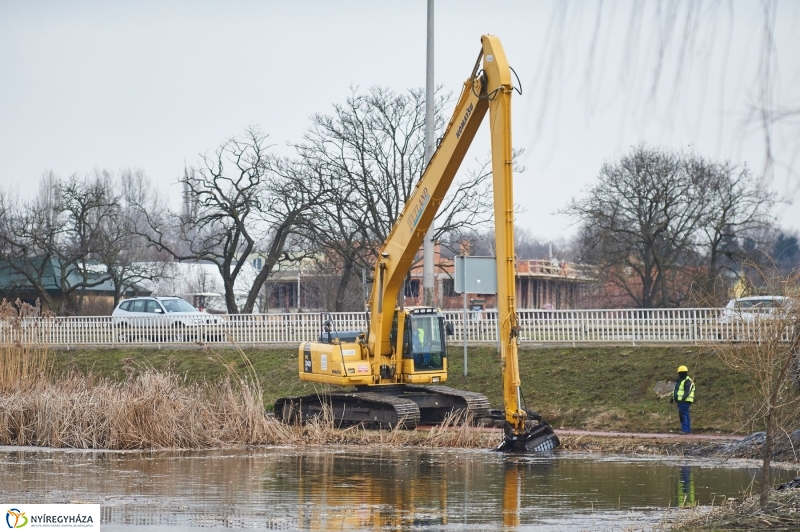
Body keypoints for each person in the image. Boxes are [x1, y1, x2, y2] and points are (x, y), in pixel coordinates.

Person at [671, 365, 695, 434]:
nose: (680, 374)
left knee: (683, 414)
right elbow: (675, 390)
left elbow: (687, 391)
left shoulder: (688, 381)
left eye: (681, 373)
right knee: (683, 414)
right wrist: (672, 398)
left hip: (685, 401)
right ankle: (686, 429)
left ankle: (685, 430)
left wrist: (683, 399)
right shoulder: (679, 381)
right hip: (680, 401)